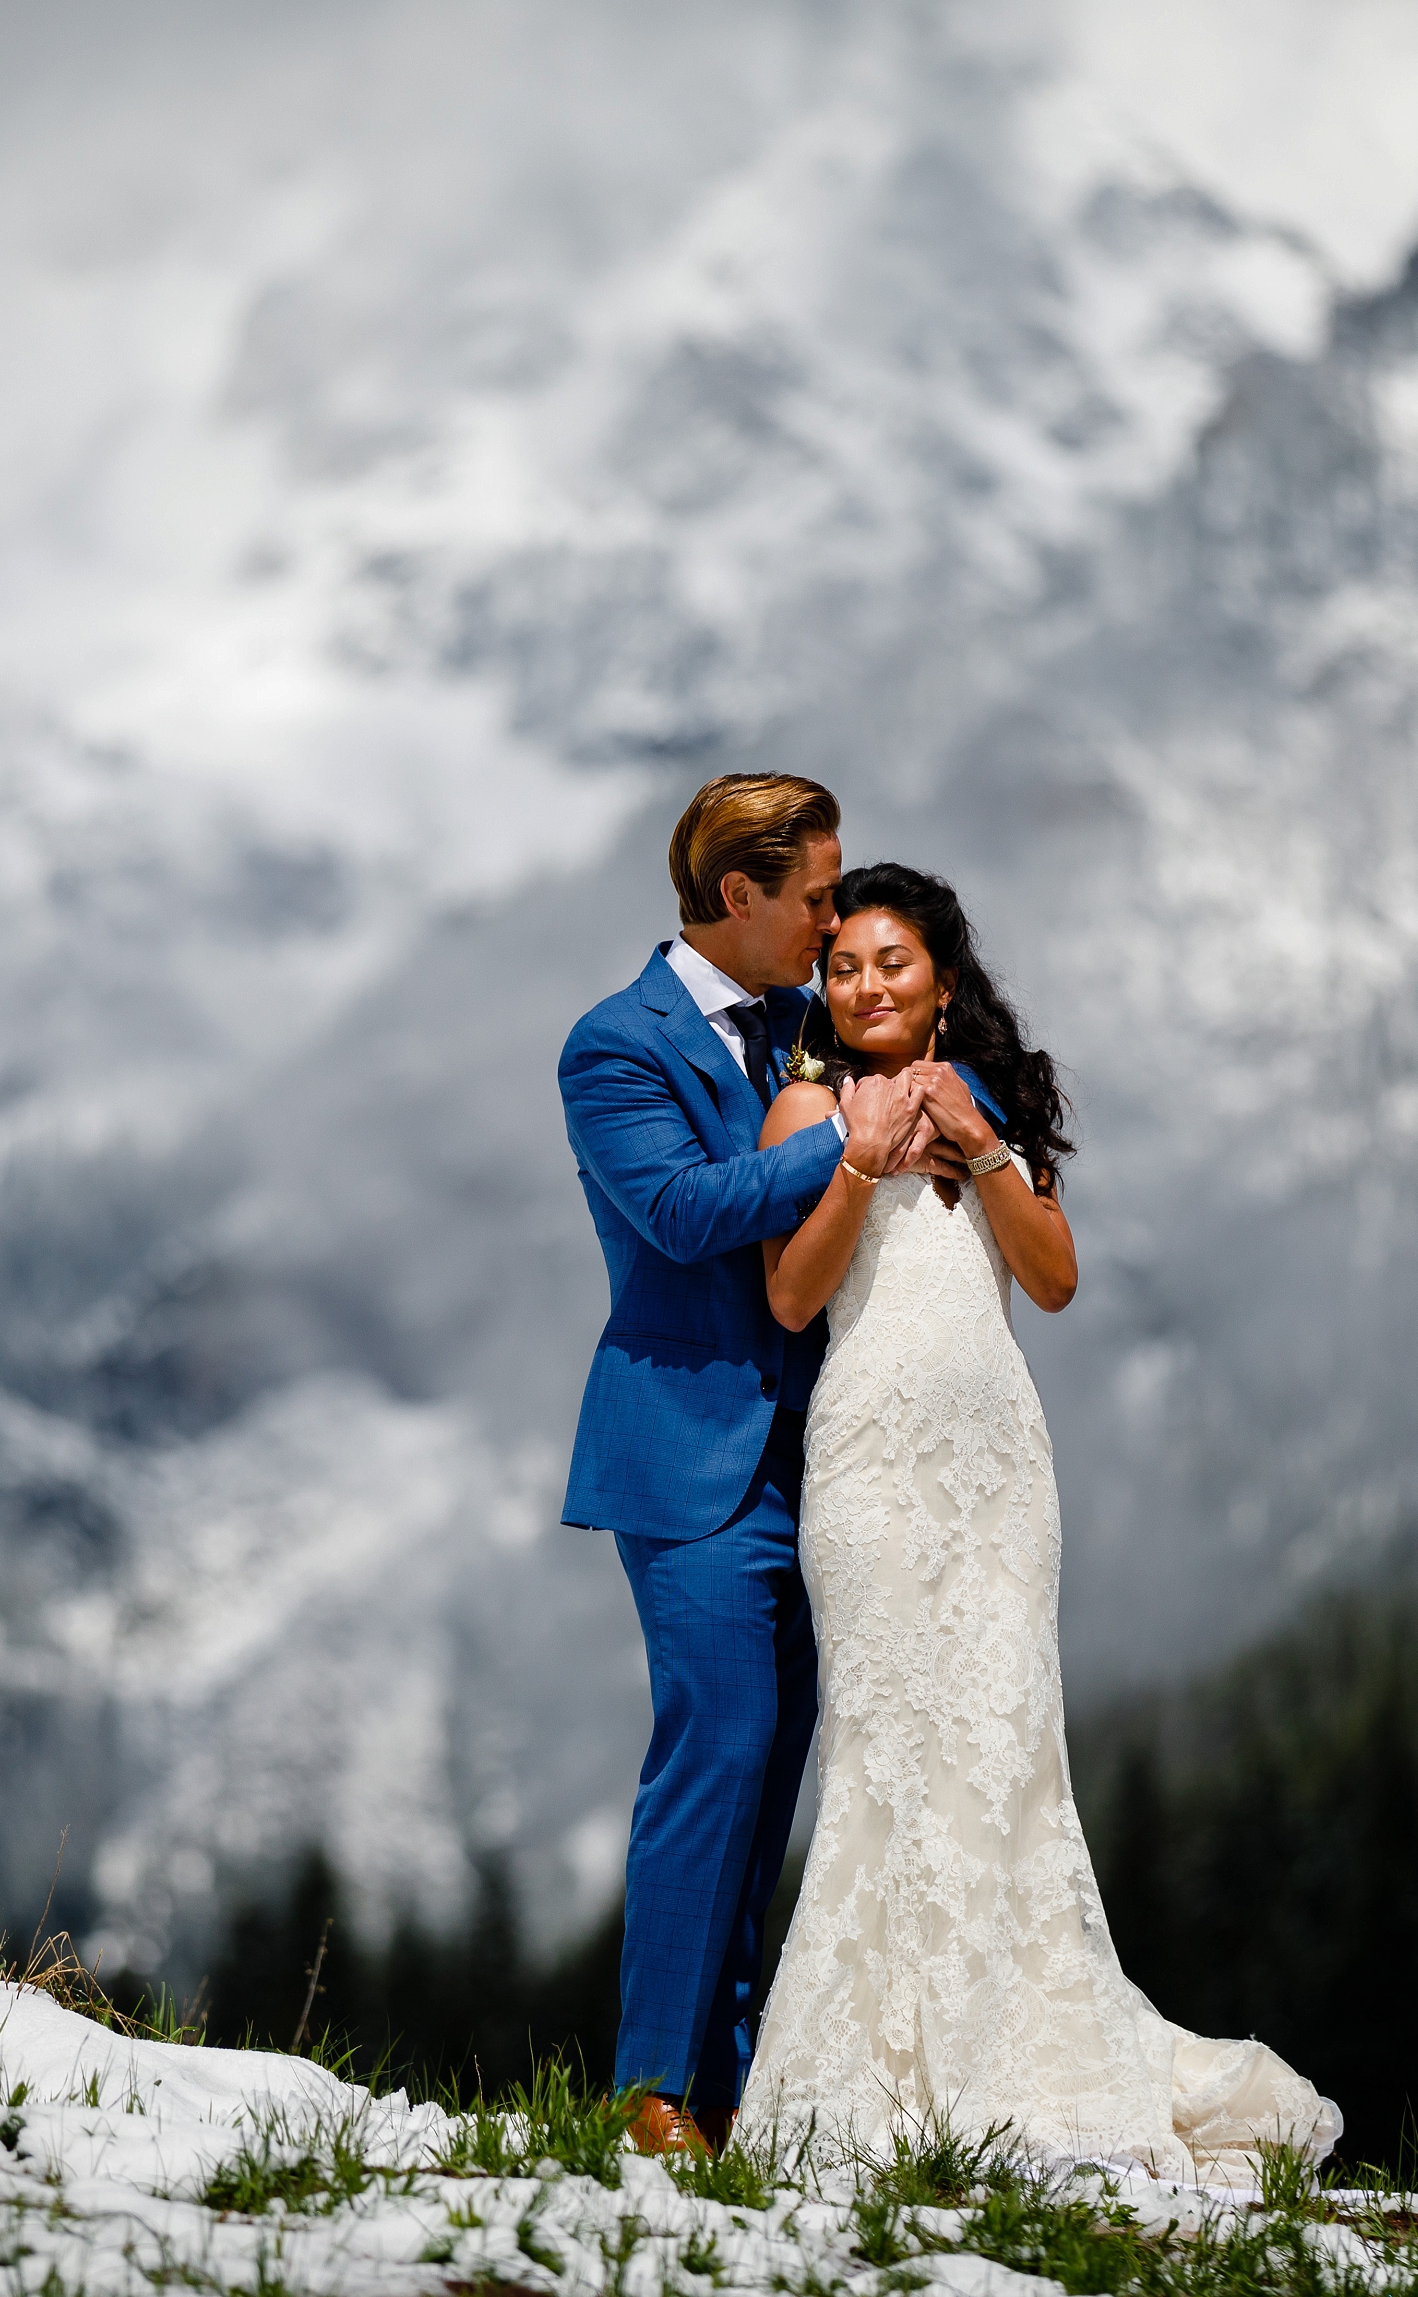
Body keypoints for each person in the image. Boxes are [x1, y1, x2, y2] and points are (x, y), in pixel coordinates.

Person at [737, 861, 1342, 2179]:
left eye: (891, 962)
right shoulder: (802, 1102)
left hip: (999, 1468)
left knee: (1007, 1748)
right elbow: (790, 1296)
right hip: (873, 1465)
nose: (864, 984)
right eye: (843, 966)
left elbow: (1055, 1281)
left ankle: (1022, 2053)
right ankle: (879, 2069)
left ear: (944, 982)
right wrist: (858, 1157)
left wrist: (979, 1136)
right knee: (889, 1746)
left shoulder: (984, 1107)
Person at [554, 774, 947, 2158]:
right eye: (817, 898)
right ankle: (649, 2087)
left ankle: (721, 2087)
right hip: (690, 1462)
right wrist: (849, 1138)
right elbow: (679, 1211)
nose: (832, 922)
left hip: (822, 1461)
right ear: (740, 896)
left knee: (773, 1766)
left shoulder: (801, 1023)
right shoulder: (613, 1046)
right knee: (712, 1749)